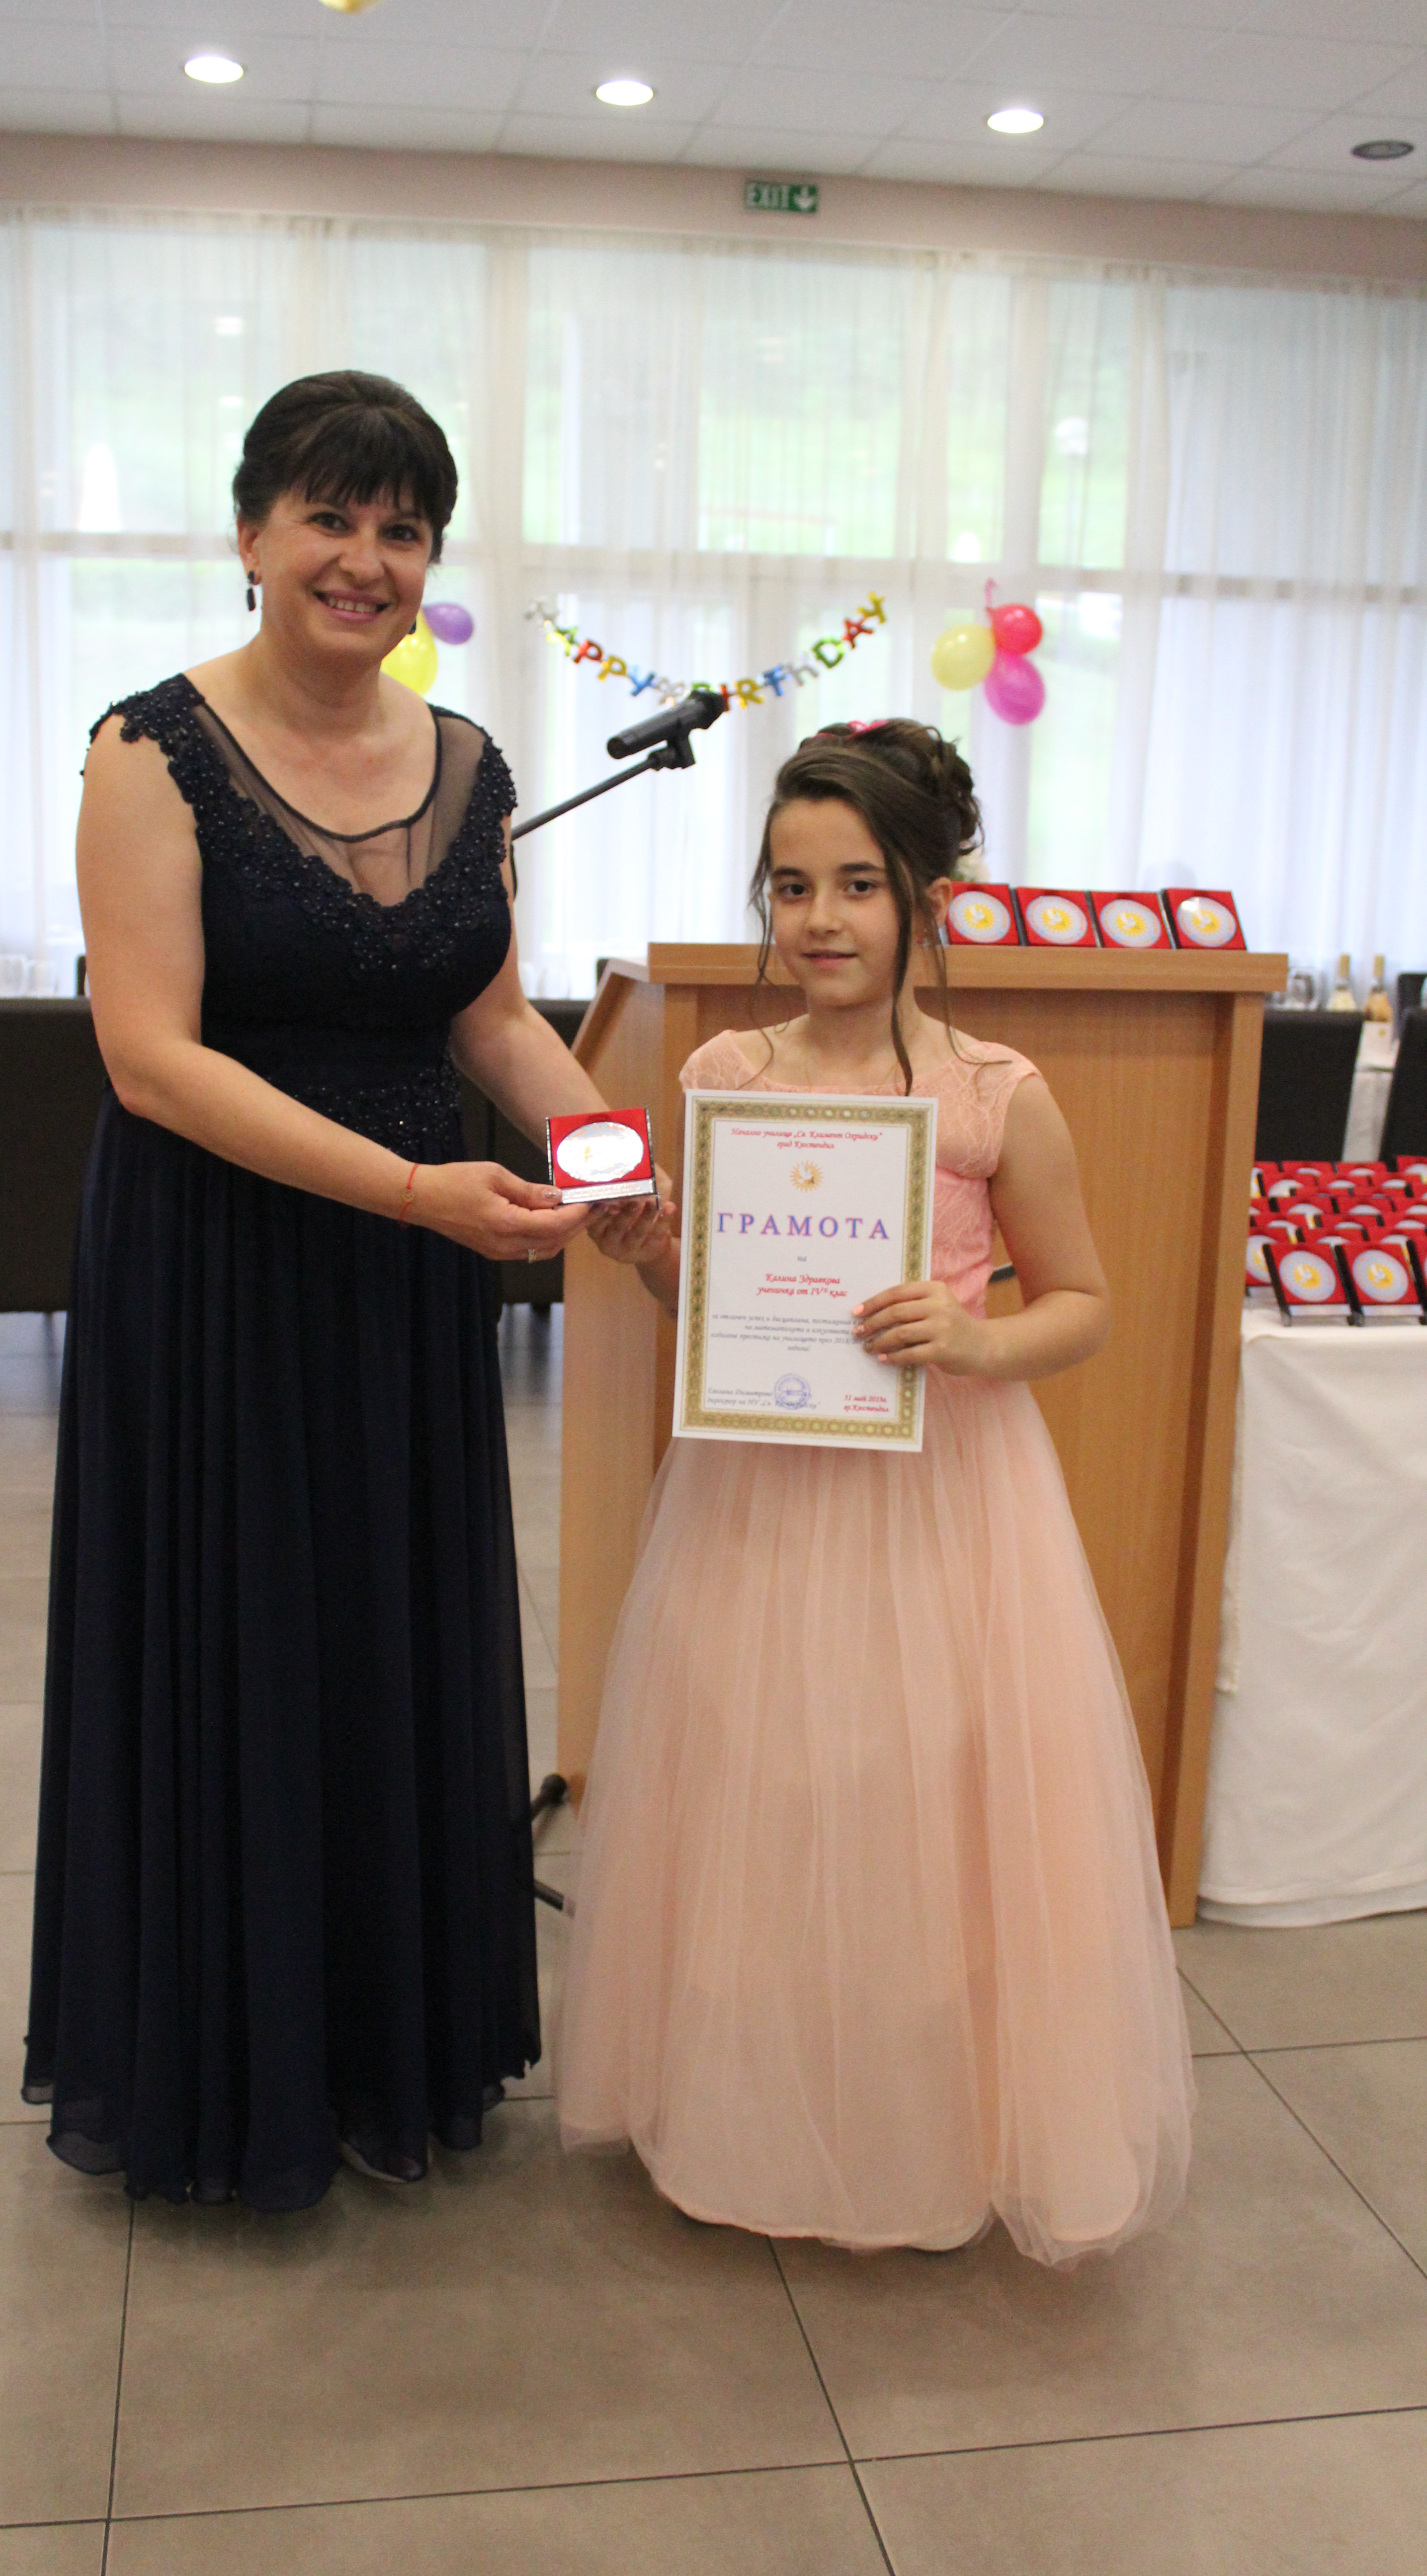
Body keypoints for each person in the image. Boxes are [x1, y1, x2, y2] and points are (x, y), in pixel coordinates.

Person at [25, 370, 652, 2208]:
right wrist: (411, 1191)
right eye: (330, 517)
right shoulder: (149, 750)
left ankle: (389, 2047)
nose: (365, 559)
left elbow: (489, 1015)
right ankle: (235, 2075)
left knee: (386, 1631)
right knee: (243, 1636)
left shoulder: (468, 763)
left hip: (403, 1276)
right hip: (219, 1262)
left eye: (403, 529)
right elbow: (149, 1058)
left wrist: (611, 1163)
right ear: (251, 534)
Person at [559, 723, 1194, 2267]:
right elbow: (720, 1303)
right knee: (763, 1780)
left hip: (945, 1490)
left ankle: (923, 2122)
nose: (820, 919)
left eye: (857, 884)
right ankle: (751, 2109)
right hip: (763, 1485)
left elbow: (1084, 1302)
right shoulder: (726, 1074)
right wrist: (654, 1260)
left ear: (927, 898)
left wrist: (974, 1339)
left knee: (922, 1792)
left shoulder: (993, 1094)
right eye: (792, 886)